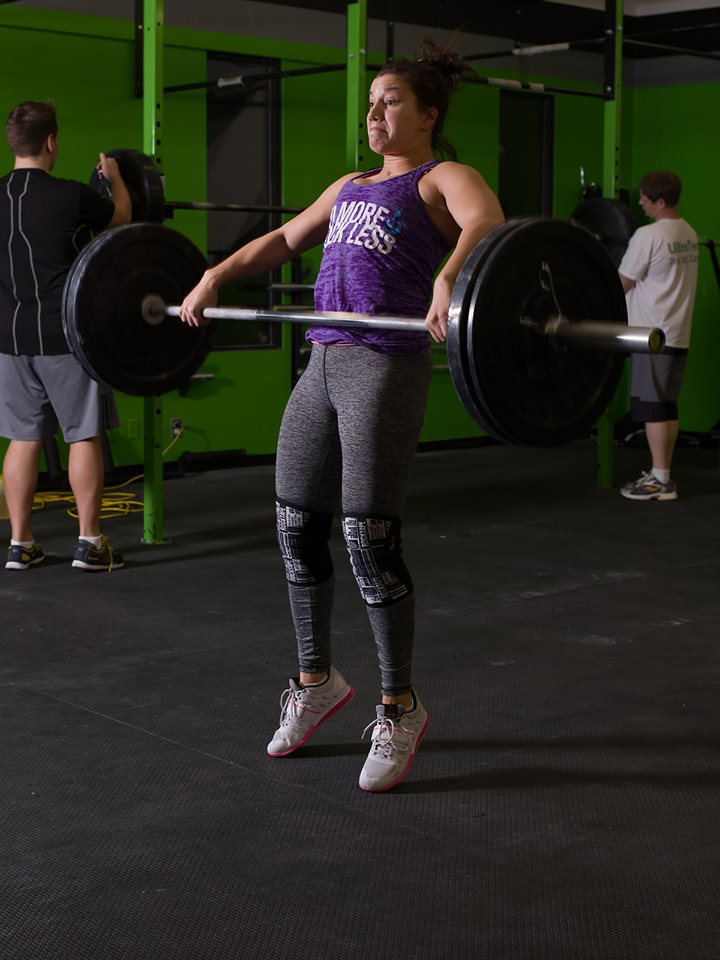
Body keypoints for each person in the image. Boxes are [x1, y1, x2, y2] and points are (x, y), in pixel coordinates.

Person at [180, 39, 505, 791]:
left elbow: (486, 219)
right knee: (296, 525)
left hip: (384, 365)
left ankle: (399, 706)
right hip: (322, 361)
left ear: (428, 114)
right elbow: (284, 239)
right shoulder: (350, 185)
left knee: (368, 539)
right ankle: (316, 680)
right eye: (371, 102)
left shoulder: (440, 176)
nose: (374, 113)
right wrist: (215, 273)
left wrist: (449, 278)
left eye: (391, 101)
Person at [0, 101, 132, 571]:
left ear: (13, 143)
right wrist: (115, 176)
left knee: (22, 439)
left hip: (11, 339)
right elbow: (121, 219)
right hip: (65, 337)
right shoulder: (70, 195)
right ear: (51, 141)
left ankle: (20, 544)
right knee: (83, 436)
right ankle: (90, 544)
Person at [618, 170, 698, 501]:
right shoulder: (688, 232)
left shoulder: (647, 235)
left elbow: (622, 282)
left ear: (660, 202)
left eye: (645, 199)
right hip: (677, 332)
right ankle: (662, 474)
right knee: (666, 407)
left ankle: (661, 481)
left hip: (651, 335)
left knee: (653, 409)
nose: (640, 203)